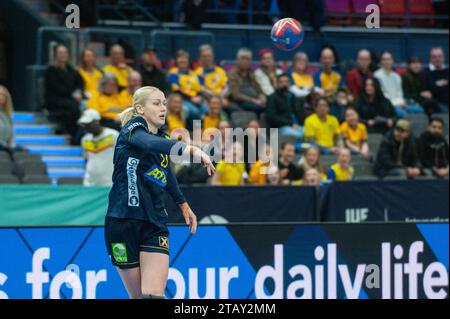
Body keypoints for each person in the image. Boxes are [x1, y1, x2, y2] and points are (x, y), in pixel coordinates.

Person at [105, 86, 214, 299]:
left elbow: (165, 174)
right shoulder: (132, 130)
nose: (163, 108)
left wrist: (183, 204)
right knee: (138, 297)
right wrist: (191, 149)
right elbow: (148, 143)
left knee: (153, 296)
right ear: (140, 109)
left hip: (154, 221)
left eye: (164, 103)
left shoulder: (162, 139)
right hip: (122, 221)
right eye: (156, 103)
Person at [44, 44, 84, 144]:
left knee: (77, 105)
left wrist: (78, 91)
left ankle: (76, 134)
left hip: (70, 99)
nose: (63, 55)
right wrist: (73, 94)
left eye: (65, 52)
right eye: (60, 53)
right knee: (73, 107)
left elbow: (80, 82)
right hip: (54, 99)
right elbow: (56, 88)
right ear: (55, 55)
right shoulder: (51, 70)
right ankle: (73, 136)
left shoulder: (71, 69)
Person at [374, 51, 423, 117]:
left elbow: (400, 93)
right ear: (381, 62)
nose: (387, 61)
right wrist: (397, 104)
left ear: (392, 61)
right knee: (403, 114)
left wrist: (402, 103)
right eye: (384, 59)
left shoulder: (396, 76)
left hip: (400, 103)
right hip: (387, 105)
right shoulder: (377, 75)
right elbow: (383, 96)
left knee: (420, 109)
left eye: (389, 59)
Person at [78, 109, 119, 186]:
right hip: (90, 181)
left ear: (97, 121)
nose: (86, 126)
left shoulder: (113, 135)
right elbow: (86, 159)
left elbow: (121, 157)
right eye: (84, 124)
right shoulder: (85, 139)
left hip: (110, 181)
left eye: (89, 123)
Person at [168, 50, 208, 124]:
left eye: (185, 58)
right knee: (195, 112)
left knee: (206, 110)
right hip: (183, 100)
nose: (183, 60)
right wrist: (191, 98)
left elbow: (200, 90)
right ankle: (194, 133)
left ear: (188, 60)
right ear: (176, 60)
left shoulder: (194, 74)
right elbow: (177, 91)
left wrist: (200, 98)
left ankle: (204, 132)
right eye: (180, 58)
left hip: (196, 99)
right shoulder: (173, 74)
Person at [266, 73, 305, 140]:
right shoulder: (272, 98)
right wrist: (290, 123)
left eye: (287, 82)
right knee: (299, 135)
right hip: (281, 127)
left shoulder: (293, 96)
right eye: (281, 82)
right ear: (277, 84)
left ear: (290, 84)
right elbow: (271, 116)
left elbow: (299, 113)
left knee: (310, 133)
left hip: (297, 125)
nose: (284, 84)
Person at [228, 48, 266, 114]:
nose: (245, 61)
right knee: (262, 108)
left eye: (248, 59)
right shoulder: (233, 74)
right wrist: (253, 100)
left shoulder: (251, 73)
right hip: (241, 102)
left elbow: (259, 90)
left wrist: (262, 97)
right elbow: (235, 95)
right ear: (237, 59)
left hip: (255, 100)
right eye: (243, 58)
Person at [423, 47, 449, 112]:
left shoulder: (448, 71)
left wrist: (445, 83)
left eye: (440, 56)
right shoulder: (425, 72)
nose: (437, 59)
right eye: (434, 57)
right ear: (430, 59)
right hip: (437, 104)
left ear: (443, 57)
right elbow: (432, 89)